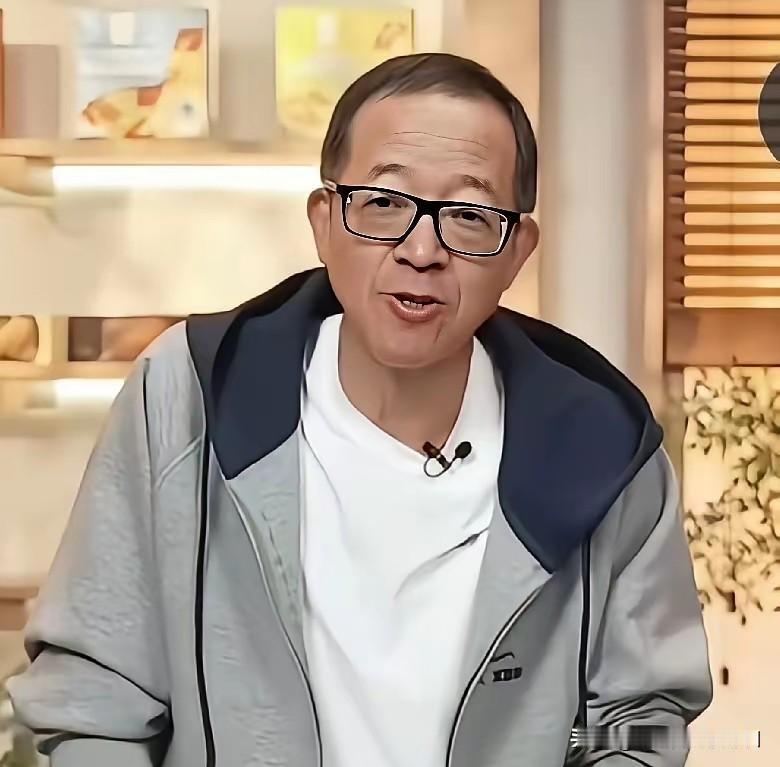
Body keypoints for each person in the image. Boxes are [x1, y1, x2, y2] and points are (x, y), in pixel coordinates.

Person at [9, 53, 712, 767]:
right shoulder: (189, 393)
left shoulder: (604, 448)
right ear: (324, 221)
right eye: (383, 203)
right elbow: (95, 699)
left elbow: (642, 721)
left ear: (516, 252)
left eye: (469, 216)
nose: (421, 250)